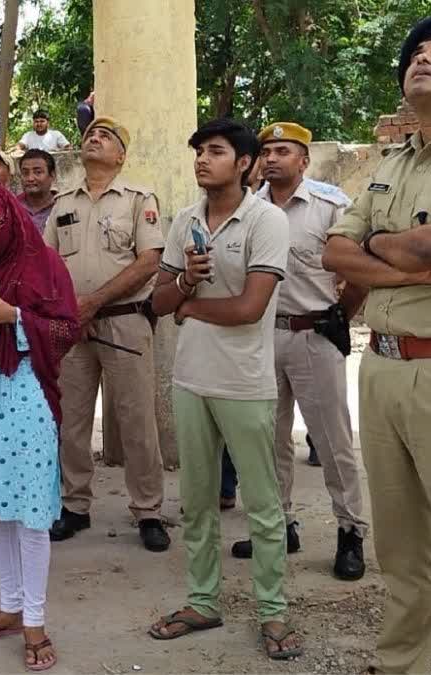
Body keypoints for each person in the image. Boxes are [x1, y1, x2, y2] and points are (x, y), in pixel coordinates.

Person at [322, 13, 431, 673]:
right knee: (404, 552)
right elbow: (332, 249)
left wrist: (383, 248)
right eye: (416, 51)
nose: (423, 57)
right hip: (380, 371)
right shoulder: (392, 161)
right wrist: (408, 260)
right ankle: (400, 666)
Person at [148, 118, 301, 660]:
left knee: (261, 506)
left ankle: (272, 612)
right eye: (198, 151)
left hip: (244, 383)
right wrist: (185, 283)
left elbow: (248, 309)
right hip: (191, 380)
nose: (202, 160)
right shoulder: (186, 219)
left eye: (215, 151)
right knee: (197, 503)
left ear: (245, 163)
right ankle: (203, 601)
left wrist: (189, 305)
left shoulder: (266, 221)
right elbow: (159, 303)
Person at [226, 122, 369, 581]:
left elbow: (358, 271)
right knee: (266, 441)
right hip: (261, 336)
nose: (271, 158)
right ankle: (278, 526)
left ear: (304, 161)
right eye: (266, 150)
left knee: (332, 441)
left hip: (314, 334)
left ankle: (351, 532)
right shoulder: (247, 210)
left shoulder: (330, 207)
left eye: (283, 151)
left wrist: (340, 314)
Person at [0, 182, 82, 672]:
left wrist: (15, 316)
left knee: (28, 509)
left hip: (28, 390)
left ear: (11, 221)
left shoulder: (44, 263)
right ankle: (9, 606)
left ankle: (35, 619)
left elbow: (69, 327)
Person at [42, 117, 168, 550]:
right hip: (73, 327)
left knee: (136, 419)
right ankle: (74, 505)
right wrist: (67, 311)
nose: (94, 138)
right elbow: (48, 264)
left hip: (124, 320)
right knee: (71, 420)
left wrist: (92, 303)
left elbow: (149, 260)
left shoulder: (138, 198)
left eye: (106, 136)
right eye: (90, 134)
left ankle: (148, 510)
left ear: (120, 155)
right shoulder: (63, 204)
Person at [17, 149, 57, 234]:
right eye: (25, 173)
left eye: (38, 172)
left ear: (52, 175)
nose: (30, 178)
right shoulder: (12, 208)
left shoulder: (62, 206)